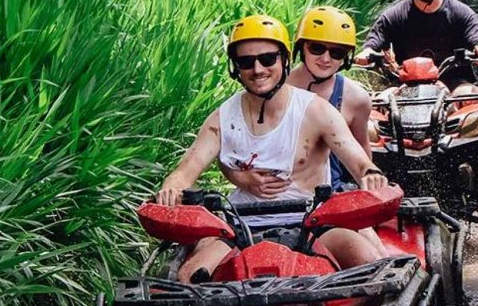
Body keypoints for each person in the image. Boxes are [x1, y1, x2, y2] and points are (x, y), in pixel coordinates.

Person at [156, 15, 389, 282]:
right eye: (246, 62)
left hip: (313, 222)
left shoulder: (316, 110)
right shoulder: (221, 118)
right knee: (188, 276)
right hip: (240, 224)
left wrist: (370, 174)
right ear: (236, 67)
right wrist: (171, 188)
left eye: (267, 59)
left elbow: (358, 160)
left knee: (372, 264)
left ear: (283, 60)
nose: (258, 69)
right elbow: (186, 170)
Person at [285, 6, 373, 190]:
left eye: (336, 53)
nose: (326, 59)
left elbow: (362, 153)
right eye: (317, 48)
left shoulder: (356, 98)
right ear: (302, 47)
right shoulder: (278, 88)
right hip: (277, 191)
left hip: (330, 193)